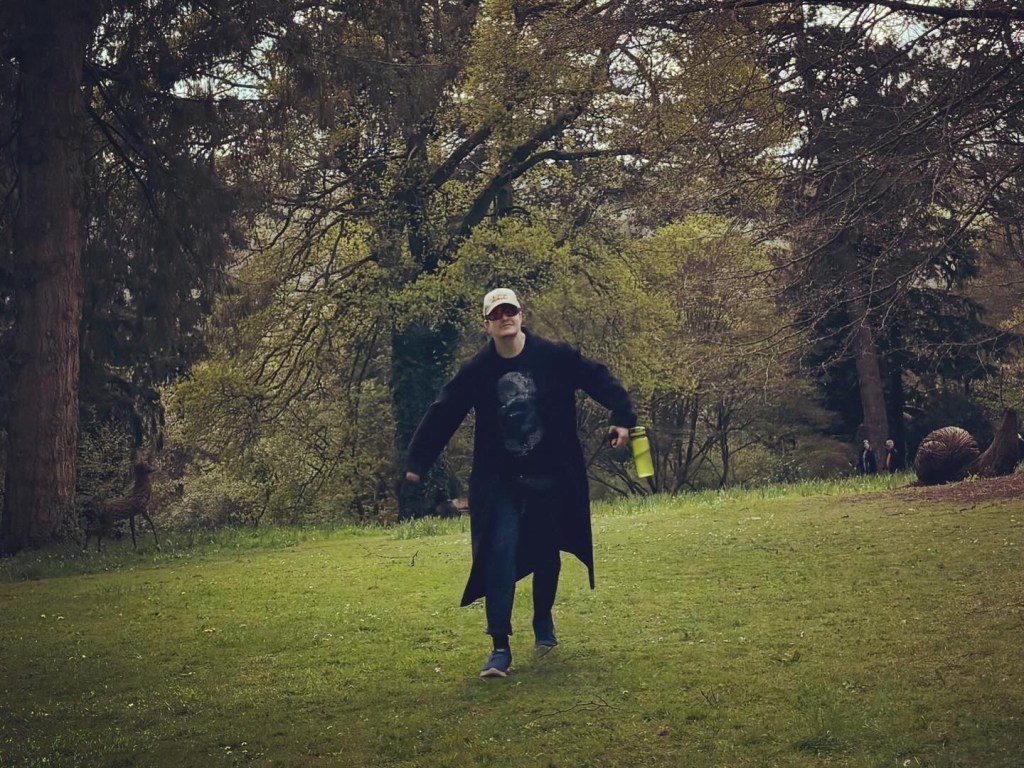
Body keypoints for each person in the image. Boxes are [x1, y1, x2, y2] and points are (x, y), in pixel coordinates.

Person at [404, 288, 637, 679]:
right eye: (496, 314)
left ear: (521, 314)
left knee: (546, 549)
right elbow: (444, 411)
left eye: (509, 310)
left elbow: (598, 378)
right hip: (500, 478)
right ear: (487, 325)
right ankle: (499, 647)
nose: (504, 318)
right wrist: (417, 462)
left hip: (550, 471)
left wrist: (622, 417)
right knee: (499, 549)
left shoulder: (553, 356)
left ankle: (542, 617)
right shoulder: (478, 369)